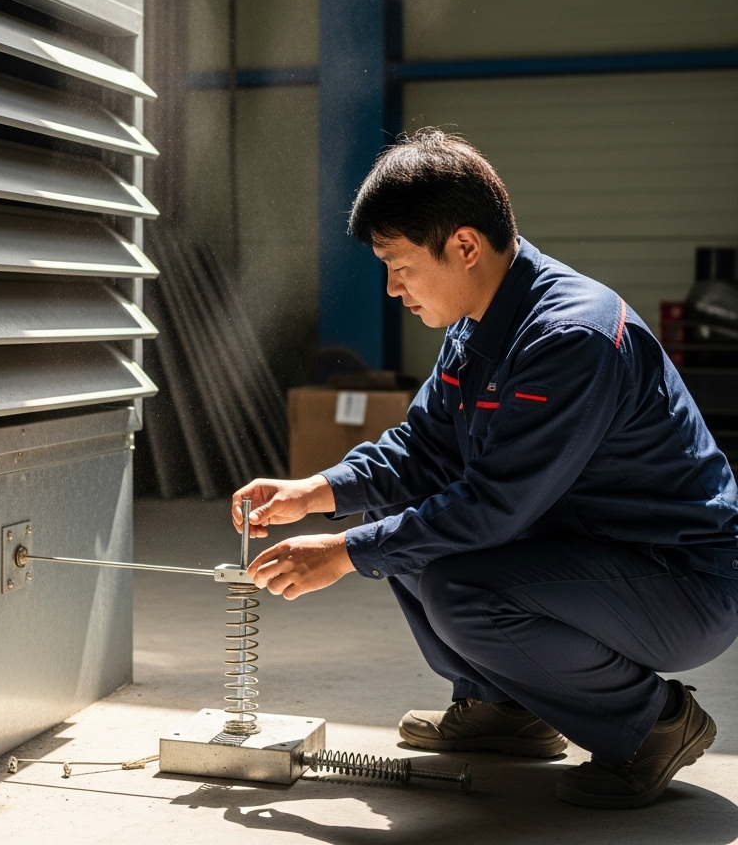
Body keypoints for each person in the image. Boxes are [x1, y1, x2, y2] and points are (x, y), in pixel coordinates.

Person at [233, 127, 738, 809]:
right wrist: (316, 491)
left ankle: (653, 724)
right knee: (394, 512)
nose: (392, 288)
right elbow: (421, 449)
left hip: (679, 581)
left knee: (459, 588)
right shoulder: (478, 323)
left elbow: (494, 506)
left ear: (465, 246)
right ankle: (505, 709)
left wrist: (344, 553)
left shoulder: (569, 337)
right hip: (589, 547)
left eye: (400, 266)